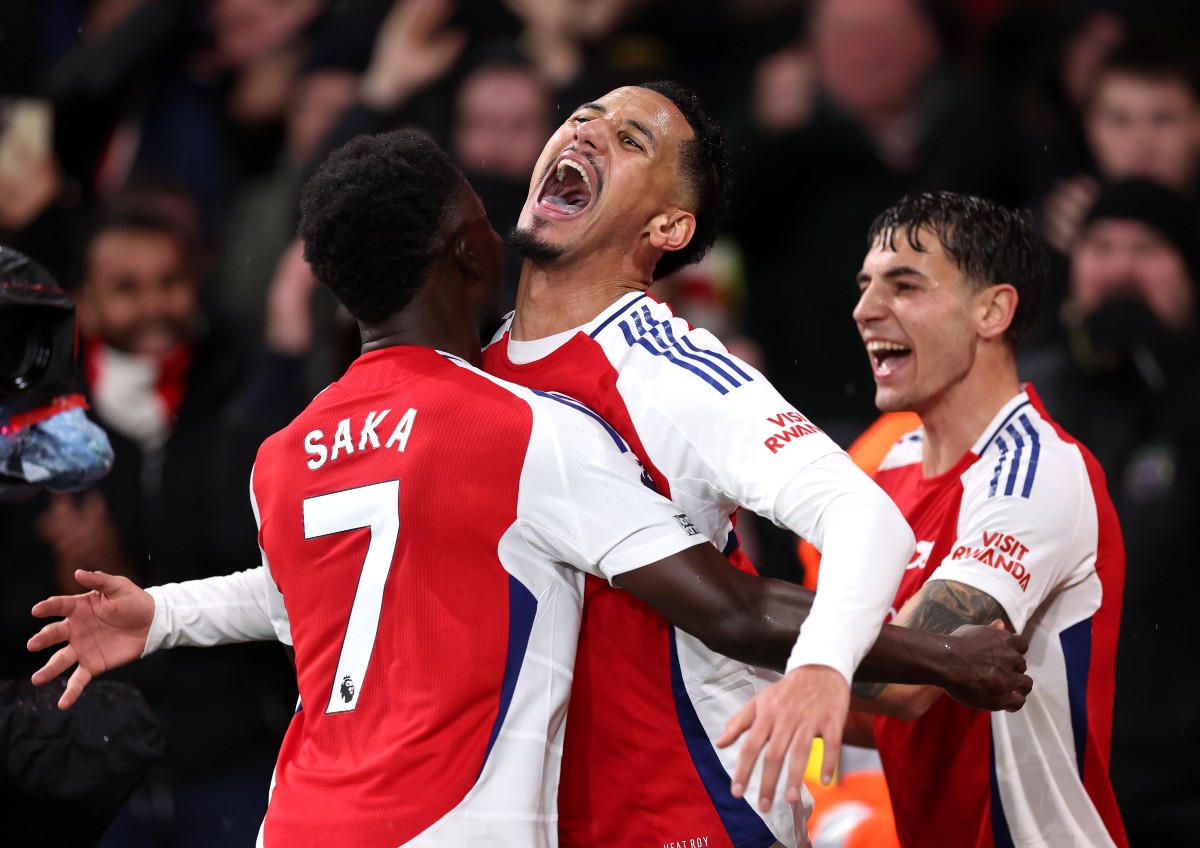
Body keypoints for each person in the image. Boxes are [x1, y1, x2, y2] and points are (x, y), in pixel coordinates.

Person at [28, 131, 1031, 846]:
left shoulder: (287, 449)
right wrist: (938, 656)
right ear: (472, 250)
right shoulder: (523, 424)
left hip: (298, 817)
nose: (585, 130)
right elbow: (730, 604)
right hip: (463, 820)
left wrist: (160, 612)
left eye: (629, 132)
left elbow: (310, 590)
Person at [740, 190, 1124, 846]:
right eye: (865, 286)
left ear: (993, 310)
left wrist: (713, 612)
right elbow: (855, 709)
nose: (865, 310)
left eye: (905, 285)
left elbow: (902, 684)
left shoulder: (1037, 476)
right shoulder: (881, 467)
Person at [1022, 178, 1200, 844]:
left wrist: (1172, 373)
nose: (1121, 268)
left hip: (1183, 782)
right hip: (1056, 771)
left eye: (1147, 248)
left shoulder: (1189, 397)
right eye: (1101, 246)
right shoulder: (1029, 398)